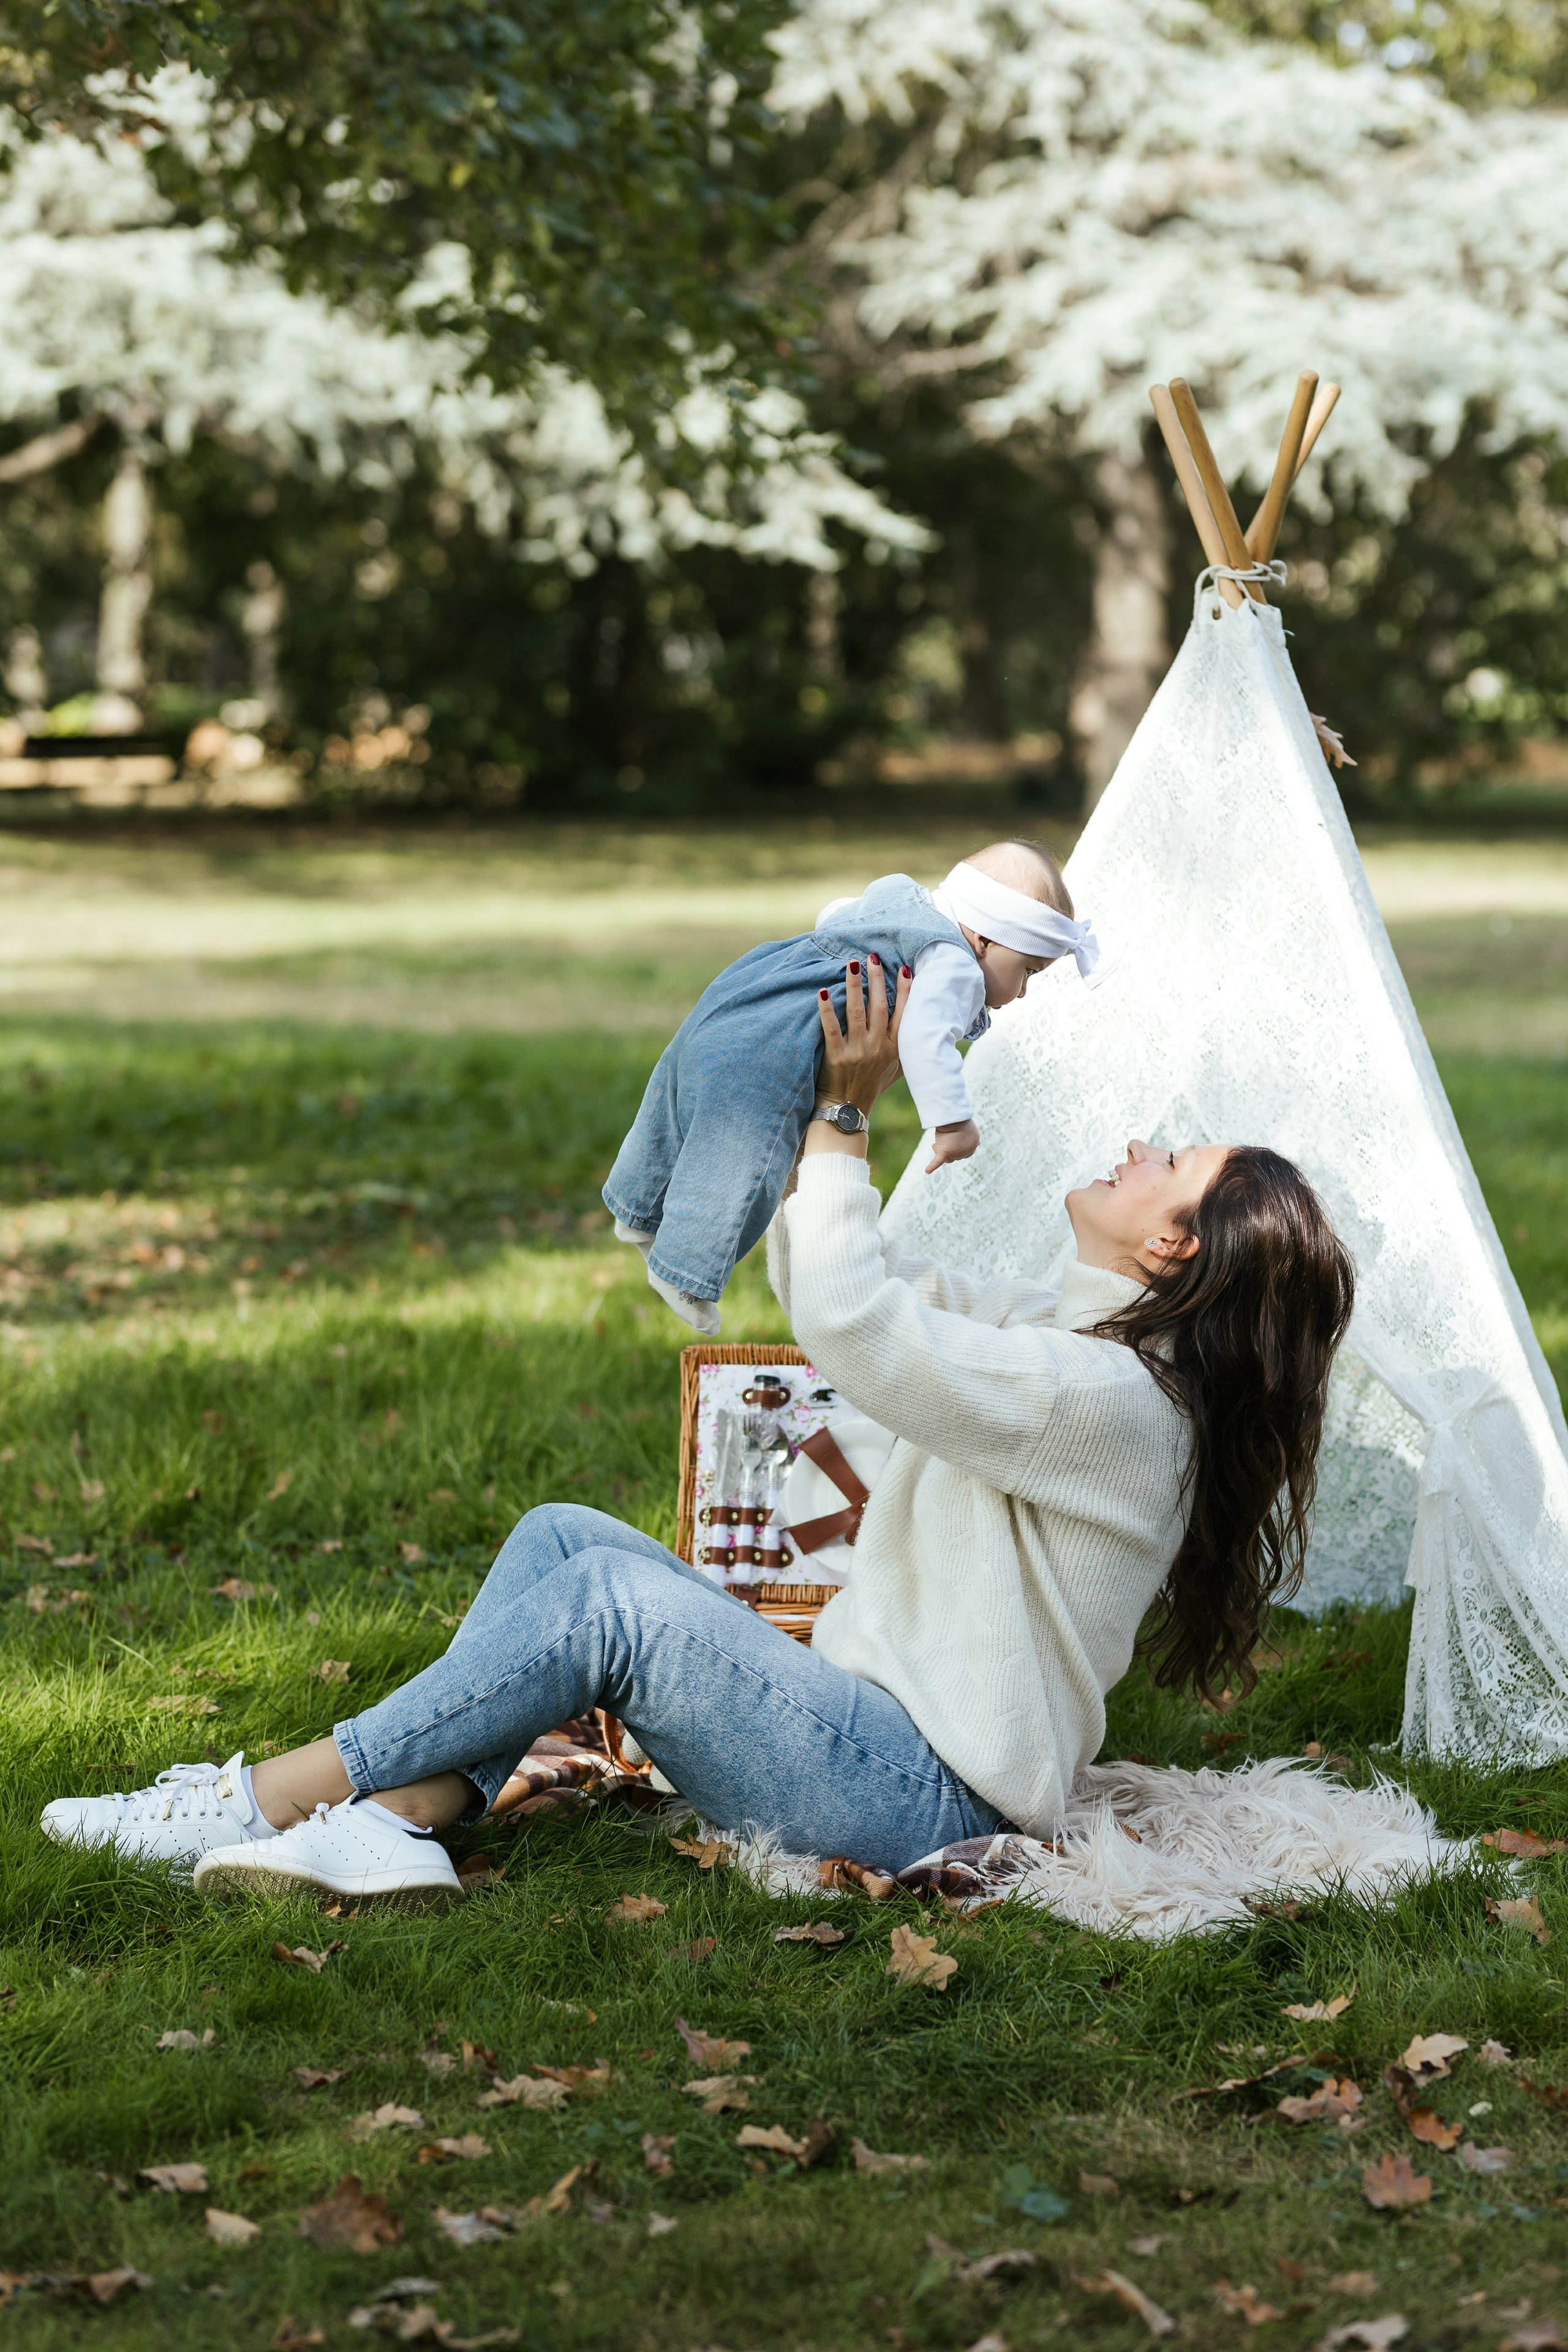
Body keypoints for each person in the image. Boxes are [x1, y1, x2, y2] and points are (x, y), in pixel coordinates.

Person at [40, 964, 1352, 1902]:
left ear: (1173, 1242)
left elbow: (859, 1330)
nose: (1136, 1146)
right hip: (867, 1733)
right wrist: (820, 1109)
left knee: (611, 1599)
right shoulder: (1081, 1348)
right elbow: (863, 1288)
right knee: (564, 1536)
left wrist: (843, 1123)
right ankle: (397, 1820)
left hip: (915, 1793)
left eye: (1166, 1158)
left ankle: (256, 1798)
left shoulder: (1111, 1405)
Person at [601, 837, 1113, 1334]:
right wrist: (954, 1123)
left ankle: (638, 1212)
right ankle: (686, 1276)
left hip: (749, 990)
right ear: (983, 938)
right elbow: (925, 1039)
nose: (1023, 991)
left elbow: (834, 913)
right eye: (1028, 970)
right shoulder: (956, 963)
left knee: (671, 1102)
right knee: (749, 1161)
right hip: (780, 1042)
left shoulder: (902, 899)